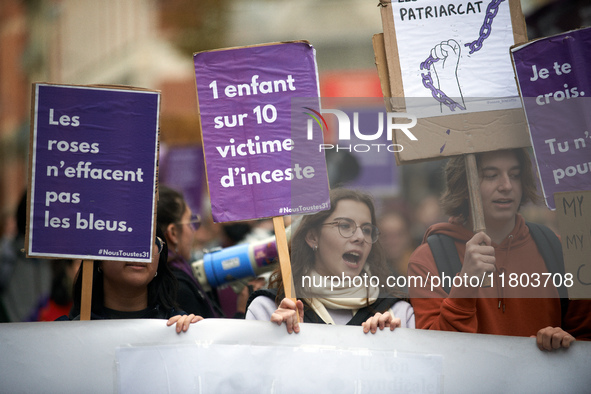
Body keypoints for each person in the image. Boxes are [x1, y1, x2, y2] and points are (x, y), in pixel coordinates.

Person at [407, 148, 591, 351]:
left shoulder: (560, 250)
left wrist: (565, 343)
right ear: (464, 186)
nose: (506, 186)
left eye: (515, 175)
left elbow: (584, 344)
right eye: (491, 176)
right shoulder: (428, 259)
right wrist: (466, 284)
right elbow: (435, 352)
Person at [246, 188, 414, 334]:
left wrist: (392, 345)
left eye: (367, 230)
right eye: (345, 226)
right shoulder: (268, 309)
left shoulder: (397, 313)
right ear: (312, 237)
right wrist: (278, 338)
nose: (360, 237)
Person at [64, 227, 200, 333]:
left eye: (149, 239)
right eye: (124, 237)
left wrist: (196, 335)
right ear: (98, 259)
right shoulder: (65, 334)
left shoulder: (179, 325)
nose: (139, 250)